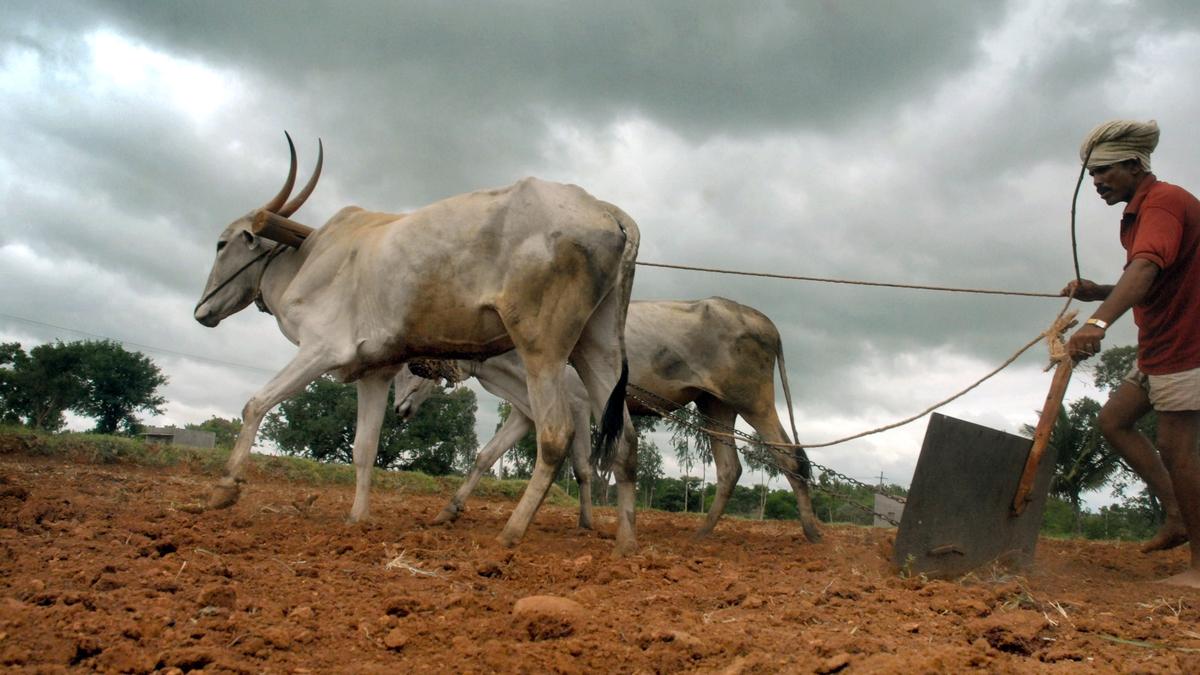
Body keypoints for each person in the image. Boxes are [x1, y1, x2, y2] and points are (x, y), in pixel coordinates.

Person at [1062, 119, 1200, 587]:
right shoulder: (1141, 212)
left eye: (1104, 171)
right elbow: (1155, 277)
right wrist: (1098, 291)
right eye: (1093, 174)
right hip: (1162, 343)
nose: (1098, 182)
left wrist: (1098, 322)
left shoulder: (1163, 203)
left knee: (1176, 448)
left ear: (1135, 164)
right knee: (1114, 420)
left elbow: (1144, 268)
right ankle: (1179, 517)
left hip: (1190, 344)